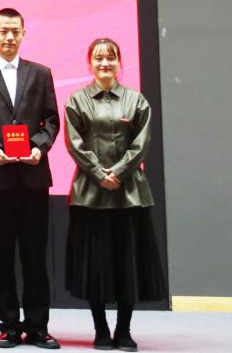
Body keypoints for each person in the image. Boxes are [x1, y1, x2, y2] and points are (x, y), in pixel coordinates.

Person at [0, 9, 61, 349]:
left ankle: (38, 327)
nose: (9, 37)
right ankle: (9, 326)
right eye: (3, 31)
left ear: (24, 33)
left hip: (33, 176)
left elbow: (51, 120)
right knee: (0, 255)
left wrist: (37, 147)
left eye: (15, 31)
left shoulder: (41, 73)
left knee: (35, 255)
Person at [64, 38, 167, 352]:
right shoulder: (76, 101)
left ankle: (124, 330)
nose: (105, 63)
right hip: (90, 195)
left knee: (128, 265)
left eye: (110, 58)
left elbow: (141, 143)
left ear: (119, 62)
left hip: (129, 193)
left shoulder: (137, 101)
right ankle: (101, 330)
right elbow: (74, 143)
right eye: (98, 58)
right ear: (90, 64)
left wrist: (118, 173)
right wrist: (99, 174)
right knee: (95, 266)